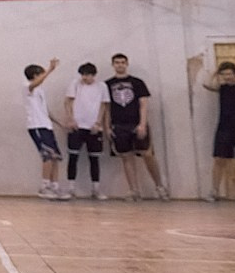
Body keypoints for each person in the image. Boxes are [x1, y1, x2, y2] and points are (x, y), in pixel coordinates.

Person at [104, 53, 167, 199]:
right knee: (126, 157)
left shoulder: (137, 82)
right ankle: (134, 190)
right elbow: (106, 108)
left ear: (127, 64)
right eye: (117, 62)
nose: (120, 65)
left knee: (148, 154)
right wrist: (107, 127)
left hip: (136, 123)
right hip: (118, 125)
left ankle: (160, 186)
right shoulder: (106, 85)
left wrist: (142, 124)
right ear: (113, 65)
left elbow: (143, 104)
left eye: (122, 62)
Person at [197, 56, 235, 202]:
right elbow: (206, 84)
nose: (227, 77)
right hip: (224, 128)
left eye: (229, 73)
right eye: (224, 74)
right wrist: (216, 72)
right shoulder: (221, 88)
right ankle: (214, 191)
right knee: (219, 159)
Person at [24, 60, 68, 199]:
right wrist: (50, 69)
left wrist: (58, 122)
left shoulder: (40, 91)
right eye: (41, 75)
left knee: (55, 157)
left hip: (46, 126)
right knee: (47, 156)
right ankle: (44, 187)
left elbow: (45, 110)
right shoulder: (27, 87)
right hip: (36, 126)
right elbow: (34, 84)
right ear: (35, 75)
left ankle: (55, 186)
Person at [64, 63, 108, 199]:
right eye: (82, 75)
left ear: (93, 75)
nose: (84, 78)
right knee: (73, 157)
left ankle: (96, 189)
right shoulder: (75, 84)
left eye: (87, 75)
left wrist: (98, 122)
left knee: (94, 158)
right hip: (77, 126)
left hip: (94, 127)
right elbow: (68, 102)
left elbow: (103, 105)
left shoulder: (102, 86)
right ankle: (71, 188)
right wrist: (71, 119)